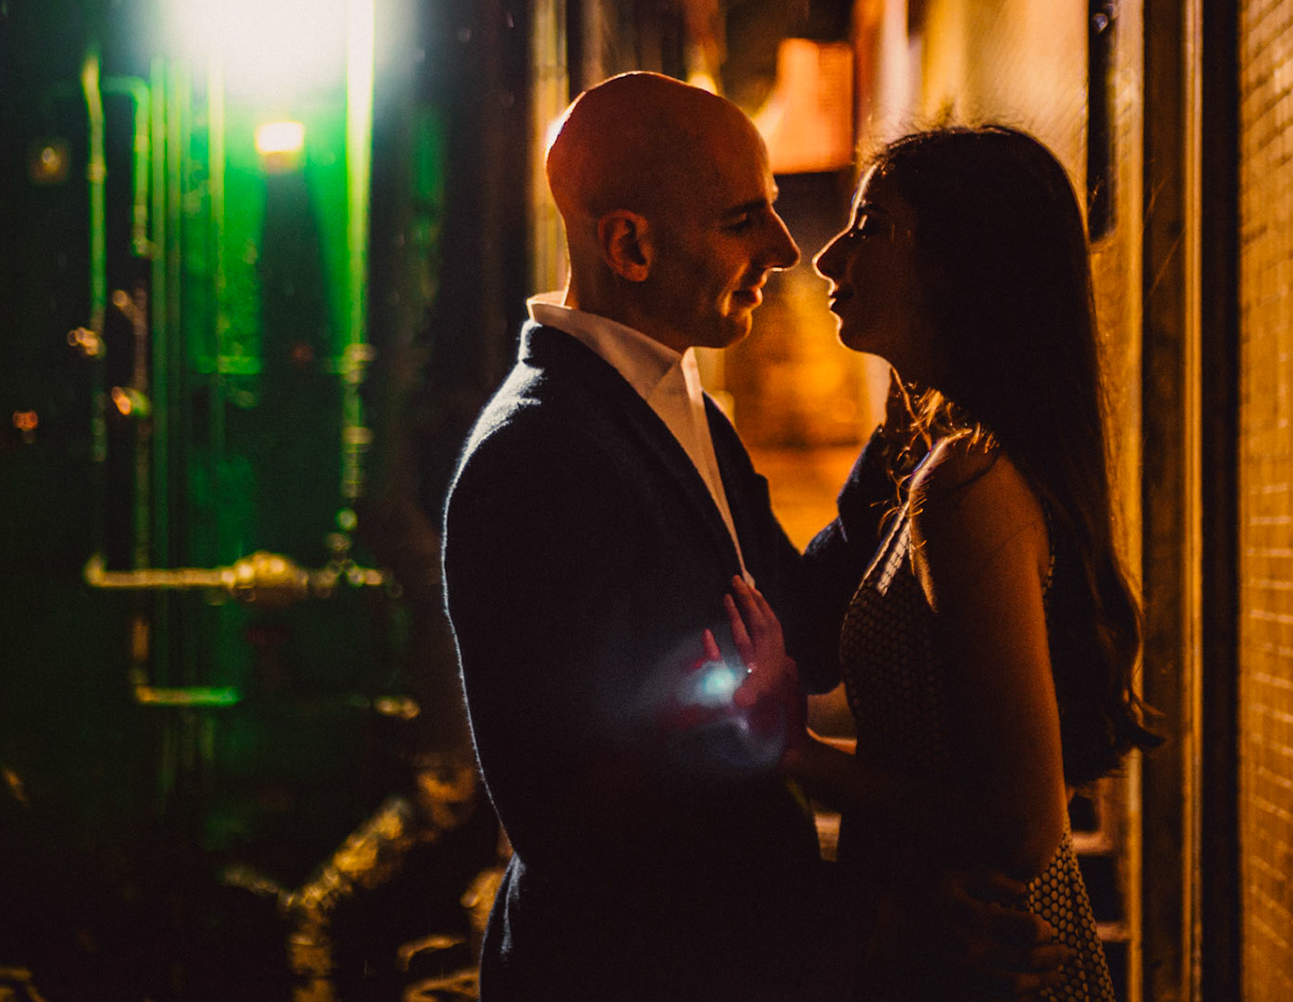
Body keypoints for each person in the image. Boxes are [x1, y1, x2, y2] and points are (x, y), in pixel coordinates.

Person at [441, 77, 1064, 999]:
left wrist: (915, 395)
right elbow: (579, 830)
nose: (785, 249)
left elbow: (796, 633)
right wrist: (863, 934)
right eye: (746, 219)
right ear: (630, 245)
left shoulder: (675, 400)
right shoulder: (539, 456)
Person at [729, 127, 1161, 1000]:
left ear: (963, 267)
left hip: (986, 950)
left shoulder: (969, 484)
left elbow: (1023, 823)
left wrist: (802, 753)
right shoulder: (934, 461)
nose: (826, 256)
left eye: (873, 224)